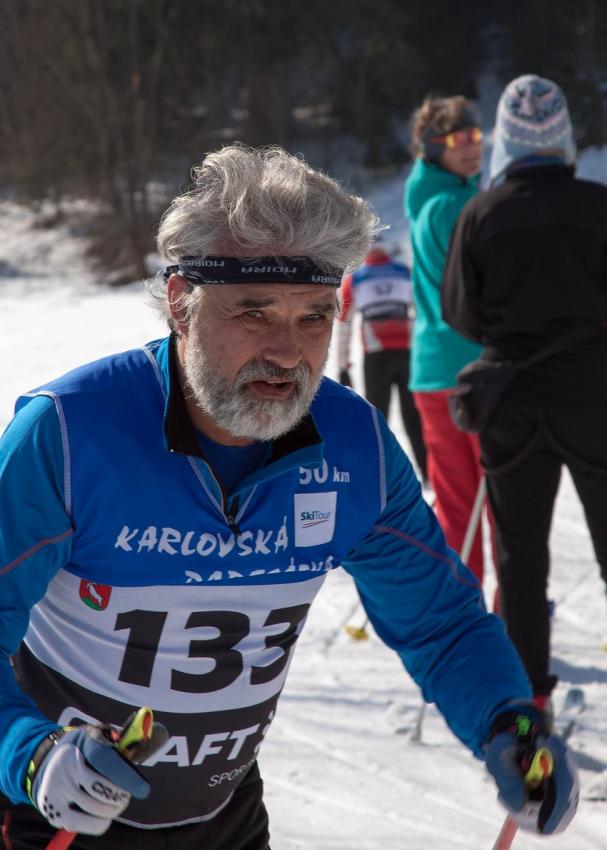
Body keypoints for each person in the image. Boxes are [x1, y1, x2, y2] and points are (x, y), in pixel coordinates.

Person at [0, 143, 577, 849]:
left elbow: (440, 622)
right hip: (57, 812)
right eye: (254, 313)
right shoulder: (67, 434)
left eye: (314, 317)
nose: (287, 352)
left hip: (225, 820)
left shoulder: (353, 448)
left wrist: (508, 722)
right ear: (181, 304)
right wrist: (29, 753)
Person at [442, 74, 607, 711]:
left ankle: (528, 701)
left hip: (511, 398)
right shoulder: (598, 206)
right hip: (594, 396)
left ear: (505, 138)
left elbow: (461, 314)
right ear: (563, 134)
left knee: (520, 557)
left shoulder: (480, 214)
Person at [404, 95, 490, 585]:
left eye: (476, 135)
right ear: (435, 148)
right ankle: (511, 613)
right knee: (500, 502)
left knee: (457, 505)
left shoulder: (423, 201)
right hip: (475, 364)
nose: (472, 147)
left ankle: (462, 611)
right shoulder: (461, 205)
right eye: (459, 139)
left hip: (431, 371)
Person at [336, 236, 427, 482]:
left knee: (377, 419)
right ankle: (428, 474)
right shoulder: (403, 272)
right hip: (408, 352)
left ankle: (377, 476)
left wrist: (343, 364)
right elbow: (423, 312)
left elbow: (344, 324)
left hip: (376, 356)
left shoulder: (356, 278)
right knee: (414, 417)